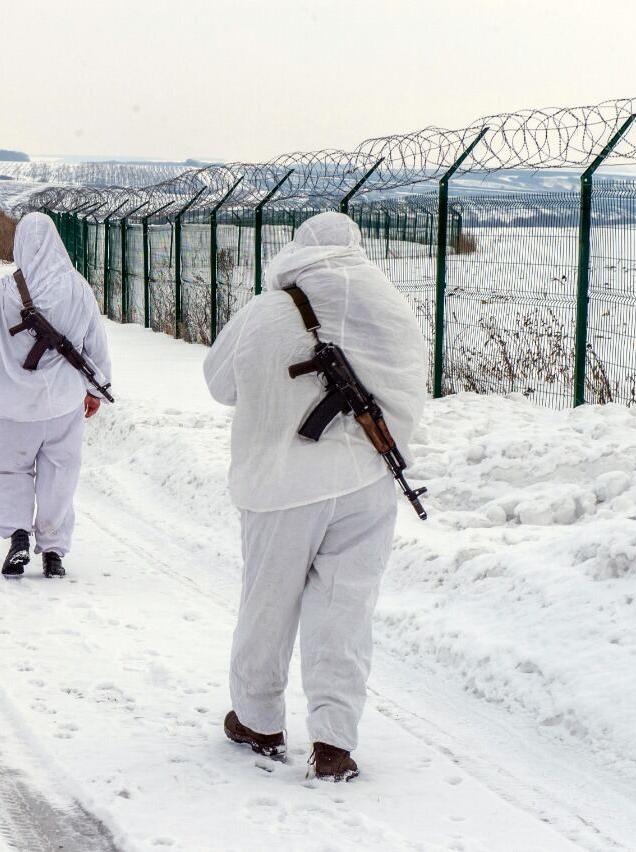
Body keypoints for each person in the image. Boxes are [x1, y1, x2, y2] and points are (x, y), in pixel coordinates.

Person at [203, 211, 427, 781]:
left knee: (268, 603)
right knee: (345, 612)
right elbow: (409, 386)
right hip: (367, 483)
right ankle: (334, 743)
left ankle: (258, 719)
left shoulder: (266, 309)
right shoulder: (392, 306)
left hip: (283, 484)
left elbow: (219, 382)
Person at [0, 212, 112, 578]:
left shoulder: (1, 292)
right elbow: (94, 343)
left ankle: (18, 535)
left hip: (8, 411)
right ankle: (53, 550)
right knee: (60, 474)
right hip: (62, 408)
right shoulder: (78, 289)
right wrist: (97, 388)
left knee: (4, 469)